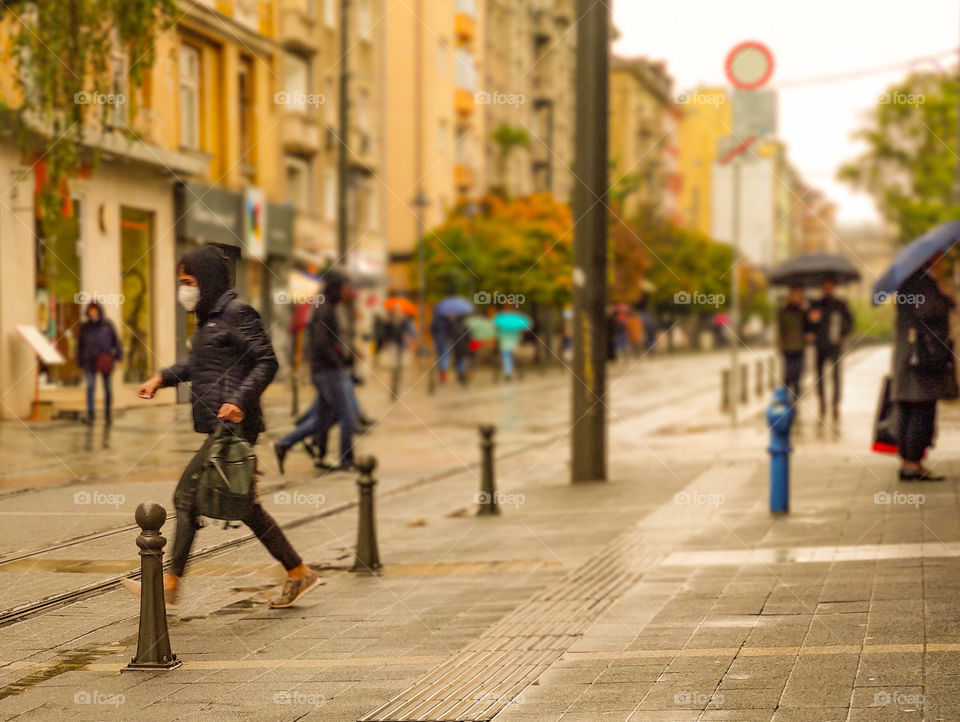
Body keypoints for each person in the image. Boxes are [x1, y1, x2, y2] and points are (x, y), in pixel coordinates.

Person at [136, 245, 318, 608]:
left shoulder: (237, 313)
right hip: (221, 425)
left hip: (234, 426)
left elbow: (267, 361)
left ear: (206, 280)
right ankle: (298, 571)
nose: (183, 289)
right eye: (180, 282)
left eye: (188, 281)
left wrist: (238, 400)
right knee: (246, 507)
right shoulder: (209, 320)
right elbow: (198, 364)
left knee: (187, 498)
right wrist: (162, 378)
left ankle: (169, 584)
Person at [274, 270, 357, 474]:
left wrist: (346, 357)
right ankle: (347, 460)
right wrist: (339, 362)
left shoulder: (329, 306)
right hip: (329, 372)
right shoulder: (325, 307)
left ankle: (284, 443)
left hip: (327, 370)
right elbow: (321, 343)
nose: (349, 291)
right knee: (348, 416)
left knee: (324, 419)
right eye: (346, 286)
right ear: (338, 286)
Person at [891, 255, 958, 481]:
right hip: (919, 359)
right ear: (930, 260)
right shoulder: (919, 282)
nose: (942, 263)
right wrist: (944, 298)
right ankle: (911, 464)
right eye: (940, 258)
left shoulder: (912, 282)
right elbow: (926, 311)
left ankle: (912, 463)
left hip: (914, 358)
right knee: (921, 410)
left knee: (915, 410)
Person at [806, 278, 854, 419]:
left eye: (830, 286)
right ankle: (822, 402)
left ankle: (835, 404)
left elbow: (850, 322)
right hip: (820, 345)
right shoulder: (815, 305)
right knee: (819, 376)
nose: (827, 289)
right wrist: (811, 322)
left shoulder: (840, 304)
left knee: (836, 376)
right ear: (822, 287)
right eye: (825, 286)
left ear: (833, 287)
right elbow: (808, 324)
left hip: (835, 346)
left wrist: (842, 334)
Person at [77, 301, 122, 425]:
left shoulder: (107, 324)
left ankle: (108, 413)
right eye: (90, 310)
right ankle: (91, 414)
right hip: (89, 361)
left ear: (99, 310)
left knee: (107, 387)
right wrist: (80, 362)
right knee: (90, 386)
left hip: (104, 360)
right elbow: (80, 345)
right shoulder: (85, 327)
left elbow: (116, 341)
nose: (92, 312)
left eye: (94, 310)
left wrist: (119, 357)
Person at [777, 286, 807, 404]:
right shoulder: (783, 311)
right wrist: (781, 345)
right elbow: (780, 330)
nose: (796, 297)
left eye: (799, 295)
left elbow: (808, 327)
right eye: (794, 294)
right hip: (787, 348)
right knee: (788, 375)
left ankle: (795, 402)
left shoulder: (803, 311)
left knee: (797, 376)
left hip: (800, 347)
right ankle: (784, 401)